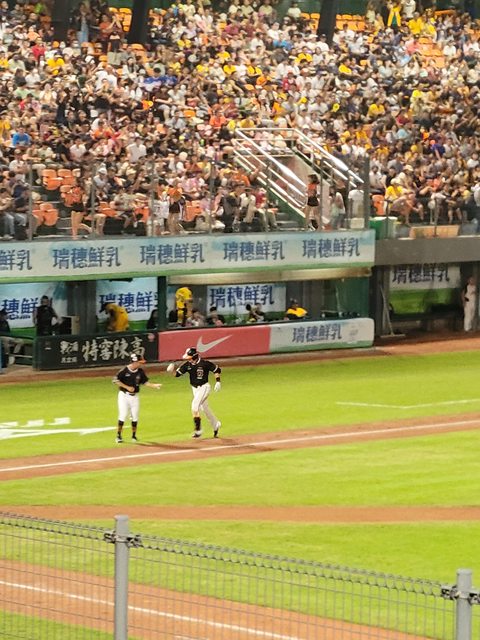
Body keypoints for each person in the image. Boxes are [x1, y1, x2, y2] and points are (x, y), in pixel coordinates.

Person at [167, 346, 222, 439]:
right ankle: (216, 424)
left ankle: (198, 430)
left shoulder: (204, 363)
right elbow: (177, 374)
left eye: (189, 357)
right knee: (205, 409)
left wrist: (218, 381)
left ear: (194, 356)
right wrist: (171, 371)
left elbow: (216, 370)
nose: (188, 359)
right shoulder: (187, 365)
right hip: (195, 389)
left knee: (194, 406)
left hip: (204, 387)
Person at [113, 353, 162, 443]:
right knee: (123, 415)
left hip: (134, 397)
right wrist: (127, 387)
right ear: (134, 362)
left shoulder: (140, 371)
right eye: (139, 362)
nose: (141, 364)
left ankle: (133, 436)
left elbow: (145, 382)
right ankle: (118, 436)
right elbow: (115, 380)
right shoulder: (124, 370)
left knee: (135, 416)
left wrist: (154, 385)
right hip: (124, 396)